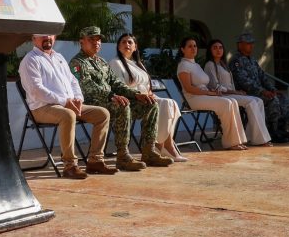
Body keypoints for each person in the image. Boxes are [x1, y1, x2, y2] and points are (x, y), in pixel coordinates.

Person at [69, 27, 173, 171]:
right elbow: (87, 87)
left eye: (98, 39)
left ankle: (148, 151)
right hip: (91, 103)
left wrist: (136, 94)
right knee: (122, 105)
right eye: (91, 39)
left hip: (109, 100)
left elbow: (116, 83)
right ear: (82, 42)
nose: (96, 42)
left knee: (150, 104)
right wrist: (112, 96)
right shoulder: (77, 63)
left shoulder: (101, 62)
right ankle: (123, 156)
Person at [19, 33, 117, 179]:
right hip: (41, 108)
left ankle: (95, 161)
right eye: (42, 35)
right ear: (33, 38)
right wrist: (65, 102)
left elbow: (73, 80)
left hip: (68, 104)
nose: (47, 37)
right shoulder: (30, 60)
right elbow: (36, 90)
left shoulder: (59, 57)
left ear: (54, 37)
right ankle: (70, 166)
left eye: (50, 34)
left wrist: (78, 99)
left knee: (102, 114)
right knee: (68, 115)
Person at [109, 33, 188, 162]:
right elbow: (119, 87)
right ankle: (163, 145)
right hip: (131, 100)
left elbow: (147, 85)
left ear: (135, 47)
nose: (126, 44)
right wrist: (140, 94)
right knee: (164, 103)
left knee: (171, 103)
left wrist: (149, 93)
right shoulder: (115, 63)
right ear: (118, 47)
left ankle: (163, 144)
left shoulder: (138, 64)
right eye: (123, 42)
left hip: (146, 97)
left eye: (130, 42)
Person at [176, 37, 248, 150]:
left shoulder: (196, 65)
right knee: (226, 103)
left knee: (233, 101)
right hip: (193, 98)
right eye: (189, 46)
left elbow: (204, 84)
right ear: (182, 49)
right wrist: (209, 93)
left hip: (204, 95)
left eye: (195, 46)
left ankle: (238, 140)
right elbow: (189, 88)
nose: (193, 48)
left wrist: (211, 92)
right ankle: (231, 142)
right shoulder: (183, 65)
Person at [229, 33, 289, 143]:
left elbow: (263, 77)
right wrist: (263, 91)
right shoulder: (236, 61)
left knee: (283, 98)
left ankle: (282, 130)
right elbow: (244, 81)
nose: (251, 46)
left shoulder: (252, 60)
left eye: (252, 43)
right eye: (248, 43)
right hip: (247, 93)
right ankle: (272, 132)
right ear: (240, 45)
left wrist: (272, 89)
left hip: (260, 92)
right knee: (272, 100)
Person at [204, 39, 272, 146]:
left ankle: (251, 136)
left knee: (258, 101)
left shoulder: (223, 64)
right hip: (223, 96)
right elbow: (214, 86)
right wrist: (235, 92)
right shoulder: (210, 65)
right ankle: (261, 140)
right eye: (215, 48)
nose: (218, 50)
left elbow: (230, 83)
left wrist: (237, 92)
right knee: (251, 102)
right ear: (210, 50)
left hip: (231, 94)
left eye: (220, 47)